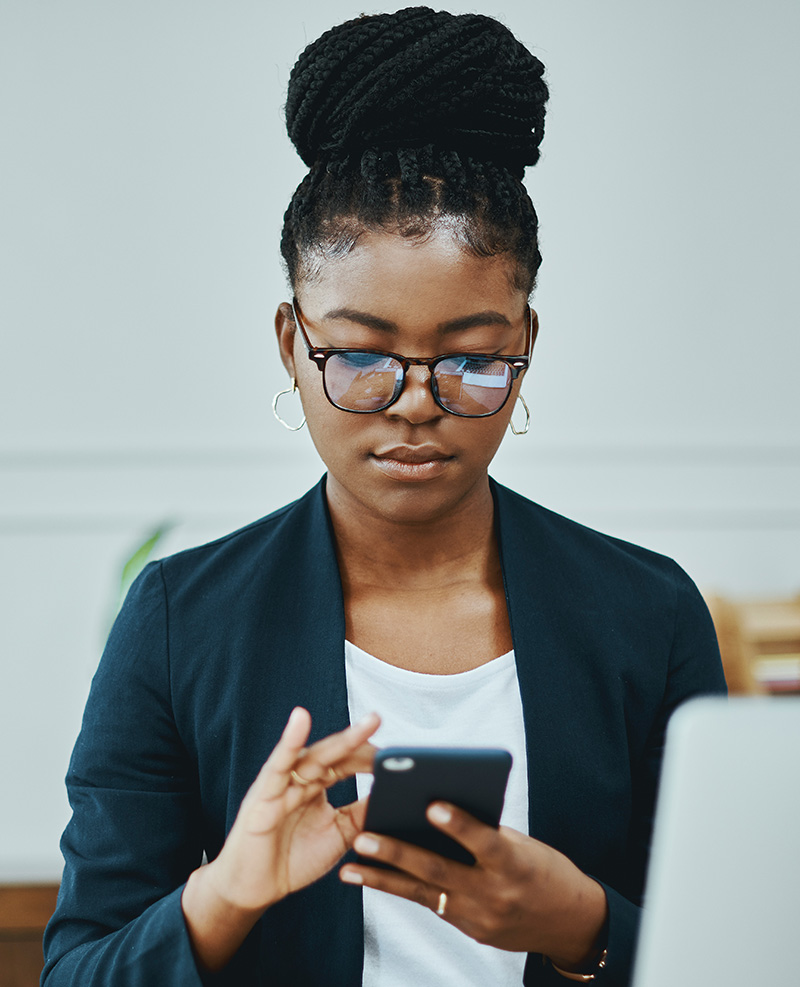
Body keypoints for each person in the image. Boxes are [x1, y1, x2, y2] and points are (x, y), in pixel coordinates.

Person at [42, 8, 726, 986]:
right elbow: (77, 973)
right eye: (359, 355)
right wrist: (227, 892)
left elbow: (738, 947)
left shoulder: (644, 612)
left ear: (523, 346)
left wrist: (582, 924)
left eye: (470, 361)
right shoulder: (179, 618)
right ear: (290, 342)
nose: (413, 405)